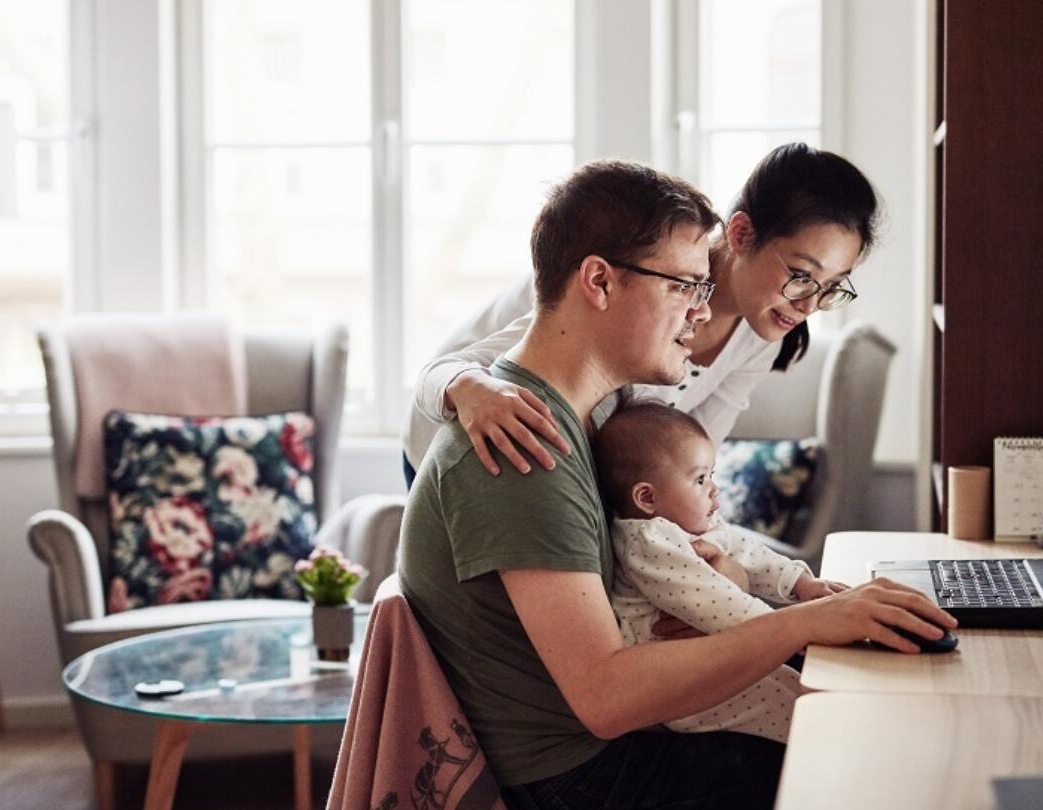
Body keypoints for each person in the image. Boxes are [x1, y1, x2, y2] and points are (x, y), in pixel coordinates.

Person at [396, 158, 955, 809]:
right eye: (685, 288)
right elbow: (606, 695)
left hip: (595, 741)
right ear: (601, 283)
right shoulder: (525, 435)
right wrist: (806, 621)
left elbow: (689, 481)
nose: (700, 315)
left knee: (861, 738)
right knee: (865, 773)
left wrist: (729, 587)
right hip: (581, 772)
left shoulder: (590, 428)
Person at [402, 141, 880, 488]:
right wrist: (471, 389)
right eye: (801, 274)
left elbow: (692, 454)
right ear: (741, 233)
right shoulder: (631, 280)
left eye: (831, 287)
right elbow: (438, 373)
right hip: (448, 436)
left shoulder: (761, 331)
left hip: (551, 458)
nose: (809, 305)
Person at [593, 398, 848, 744]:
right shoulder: (649, 541)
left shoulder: (694, 526)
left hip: (718, 653)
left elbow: (748, 554)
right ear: (647, 499)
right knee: (798, 712)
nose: (715, 487)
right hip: (681, 687)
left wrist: (801, 584)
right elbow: (715, 603)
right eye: (700, 479)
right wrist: (795, 631)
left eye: (711, 475)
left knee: (807, 692)